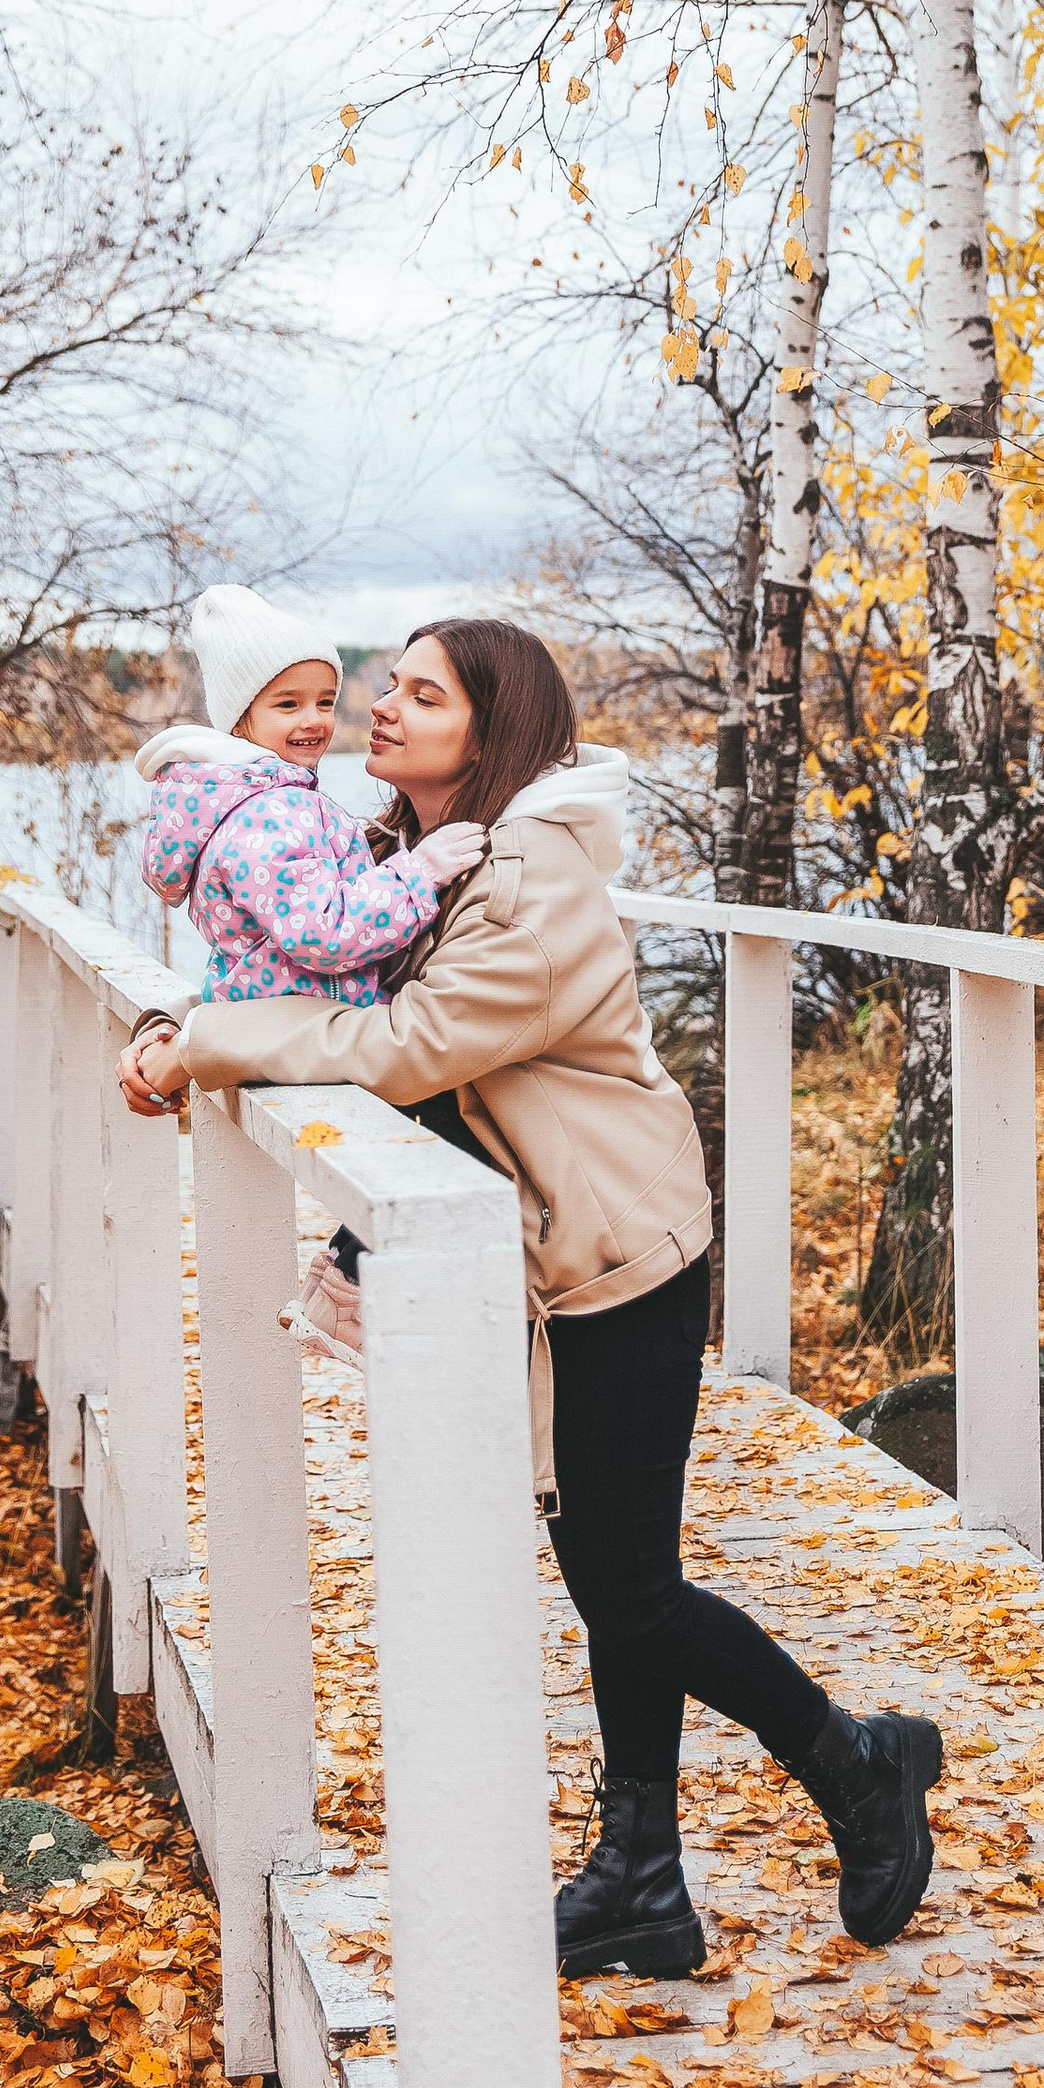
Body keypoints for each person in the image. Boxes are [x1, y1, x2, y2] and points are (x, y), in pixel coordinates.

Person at [119, 613, 943, 1977]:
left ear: (487, 733)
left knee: (626, 1586)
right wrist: (195, 1024)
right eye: (385, 687)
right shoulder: (407, 861)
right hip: (550, 1256)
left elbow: (402, 1045)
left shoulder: (534, 884)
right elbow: (307, 965)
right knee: (614, 1571)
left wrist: (205, 1043)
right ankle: (644, 1878)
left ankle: (856, 1767)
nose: (381, 708)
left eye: (420, 695)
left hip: (618, 1252)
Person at [135, 583, 484, 1005]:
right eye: (287, 705)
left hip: (281, 1027)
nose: (313, 720)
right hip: (303, 1032)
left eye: (324, 702)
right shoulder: (271, 812)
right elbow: (321, 934)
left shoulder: (242, 802)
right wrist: (418, 874)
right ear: (239, 721)